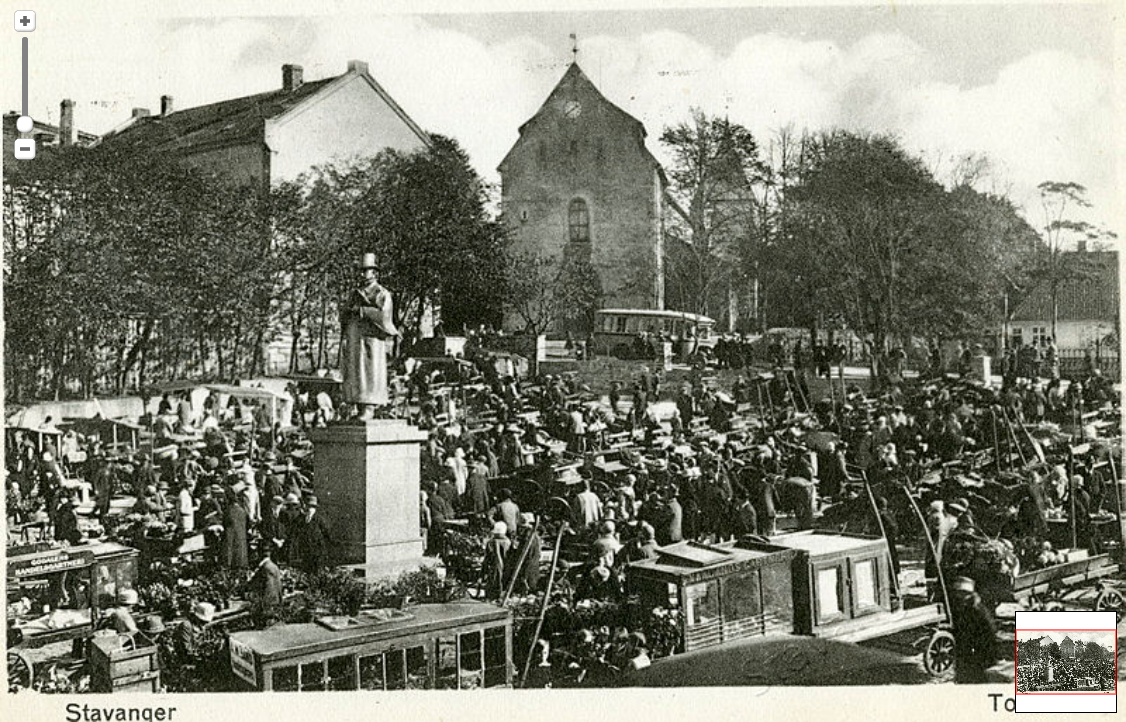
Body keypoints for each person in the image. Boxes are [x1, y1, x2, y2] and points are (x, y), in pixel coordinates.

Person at [341, 252, 400, 419]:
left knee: (370, 372)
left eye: (365, 270)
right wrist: (346, 313)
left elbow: (384, 316)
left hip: (371, 340)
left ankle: (369, 406)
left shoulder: (381, 293)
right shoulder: (355, 294)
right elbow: (345, 312)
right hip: (355, 338)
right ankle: (359, 405)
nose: (361, 274)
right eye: (360, 271)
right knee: (356, 372)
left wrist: (362, 311)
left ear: (374, 273)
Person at [950, 576, 998, 683]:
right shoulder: (960, 606)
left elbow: (990, 633)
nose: (958, 596)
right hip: (964, 652)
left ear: (969, 594)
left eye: (962, 593)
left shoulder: (978, 611)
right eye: (957, 593)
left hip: (977, 653)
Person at [296, 495, 334, 574]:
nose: (310, 509)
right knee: (307, 570)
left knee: (317, 570)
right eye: (308, 506)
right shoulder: (302, 519)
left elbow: (327, 534)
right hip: (306, 550)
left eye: (312, 507)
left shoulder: (319, 519)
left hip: (317, 551)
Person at [248, 547, 283, 627]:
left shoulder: (264, 568)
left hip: (266, 602)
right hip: (275, 599)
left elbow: (255, 584)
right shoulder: (274, 566)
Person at [482, 521, 512, 600]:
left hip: (494, 568)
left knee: (493, 584)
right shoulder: (508, 542)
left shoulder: (491, 542)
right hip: (507, 567)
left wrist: (483, 572)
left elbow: (487, 558)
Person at [221, 491, 250, 571]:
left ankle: (229, 566)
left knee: (230, 549)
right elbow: (248, 523)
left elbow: (224, 522)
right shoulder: (242, 510)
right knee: (241, 551)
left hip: (230, 534)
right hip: (241, 534)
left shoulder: (228, 510)